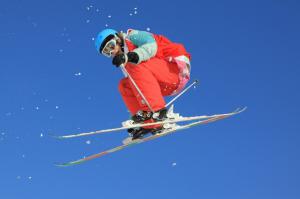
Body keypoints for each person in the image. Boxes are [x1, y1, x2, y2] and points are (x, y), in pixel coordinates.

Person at [95, 28, 191, 139]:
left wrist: (131, 56)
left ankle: (158, 112)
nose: (112, 52)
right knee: (124, 85)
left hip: (174, 70)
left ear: (117, 38)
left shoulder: (132, 36)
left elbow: (152, 46)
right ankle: (148, 122)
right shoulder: (125, 60)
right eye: (107, 52)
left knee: (133, 64)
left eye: (111, 46)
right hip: (162, 85)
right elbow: (139, 83)